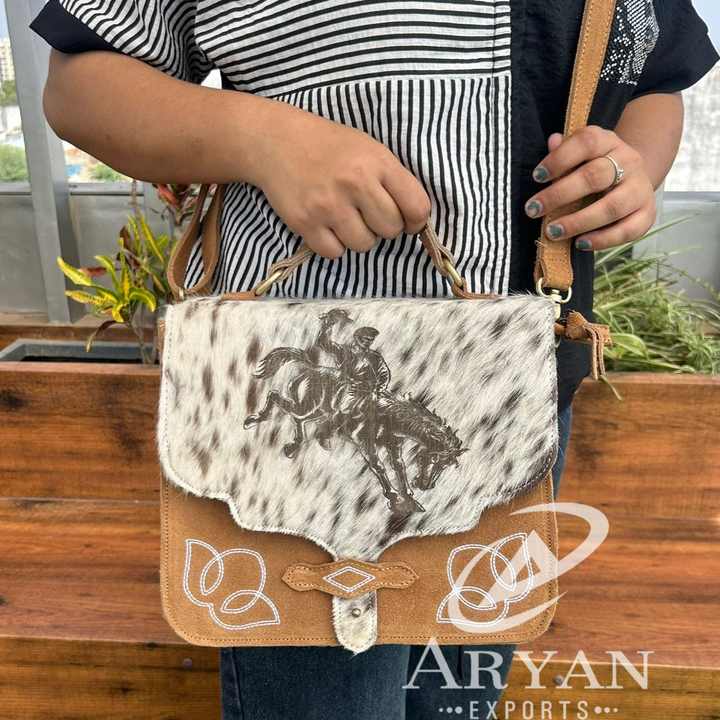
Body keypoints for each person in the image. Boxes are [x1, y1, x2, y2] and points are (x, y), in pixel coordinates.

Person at [30, 0, 718, 717]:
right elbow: (80, 85)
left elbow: (651, 77)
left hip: (514, 401)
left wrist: (630, 167)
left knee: (460, 699)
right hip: (298, 424)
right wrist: (264, 138)